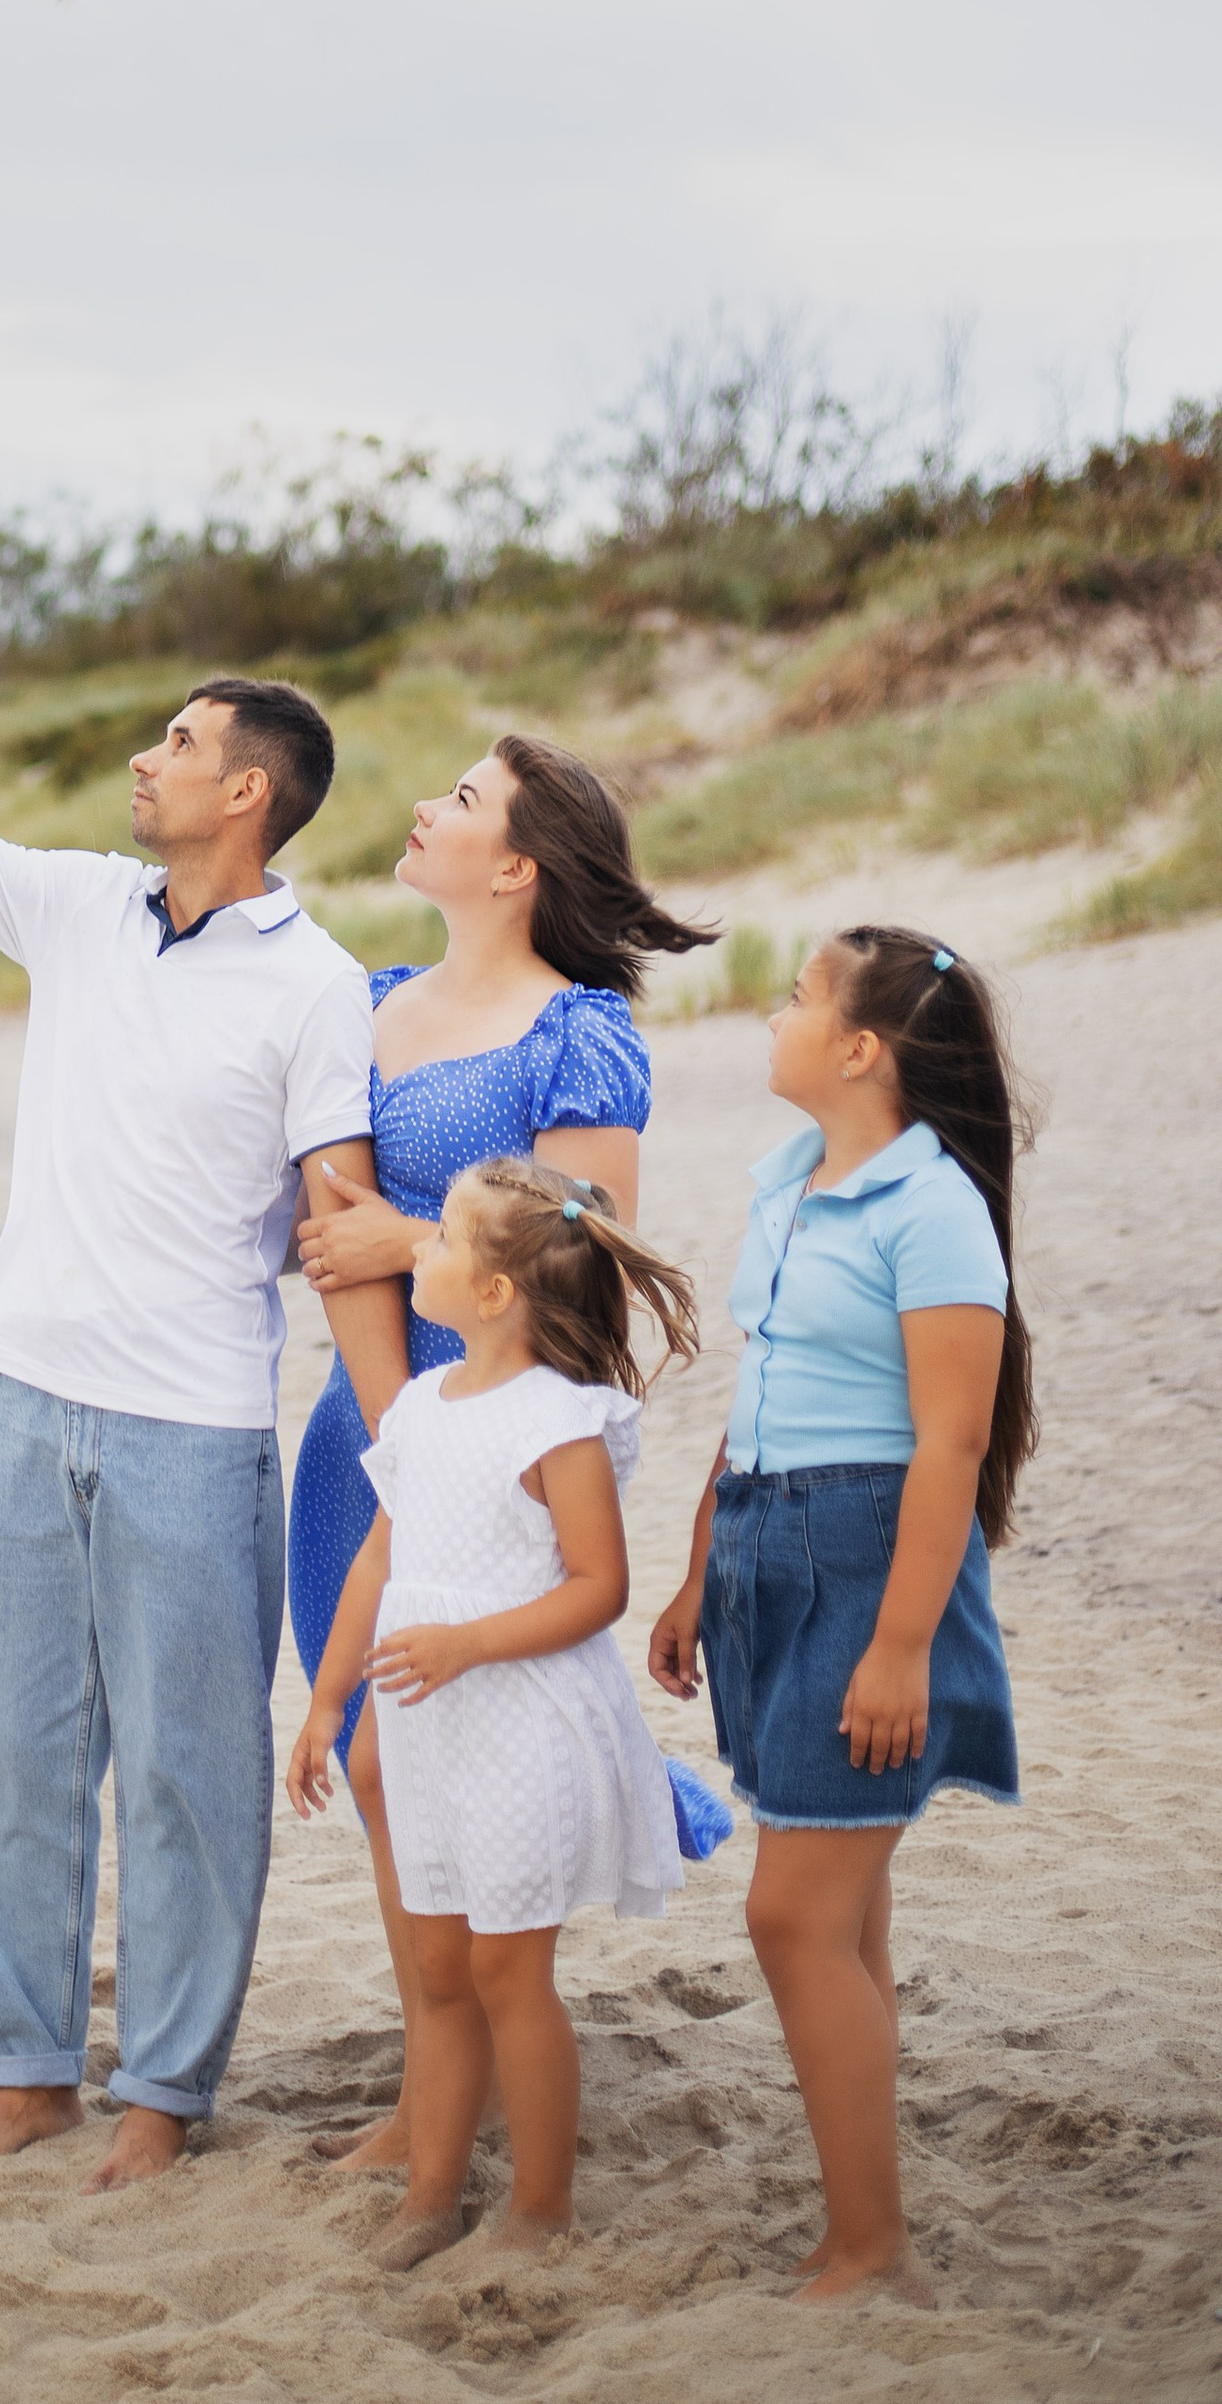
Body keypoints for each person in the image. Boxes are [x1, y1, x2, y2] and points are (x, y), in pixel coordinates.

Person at [0, 519, 392, 2190]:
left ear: (250, 791)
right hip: (23, 1394)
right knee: (13, 1744)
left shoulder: (319, 988)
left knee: (192, 1775)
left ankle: (168, 2093)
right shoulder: (80, 905)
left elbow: (338, 1217)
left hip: (194, 1428)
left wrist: (410, 1437)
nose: (146, 755)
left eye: (179, 742)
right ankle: (30, 2066)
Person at [285, 737, 714, 2166]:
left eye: (460, 800)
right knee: (378, 1756)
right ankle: (429, 2092)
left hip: (505, 1450)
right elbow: (319, 1215)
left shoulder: (576, 1032)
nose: (424, 808)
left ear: (518, 865)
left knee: (463, 1754)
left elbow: (585, 1260)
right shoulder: (372, 1004)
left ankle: (460, 2090)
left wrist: (409, 1241)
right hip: (369, 1431)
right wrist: (392, 1411)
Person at [650, 927, 1033, 2306]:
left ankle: (872, 2248)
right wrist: (701, 1565)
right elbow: (763, 1391)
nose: (777, 1012)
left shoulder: (933, 1210)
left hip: (871, 1563)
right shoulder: (797, 1180)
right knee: (843, 1910)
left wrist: (900, 1645)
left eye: (801, 998)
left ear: (862, 1049)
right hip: (767, 1541)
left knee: (791, 1918)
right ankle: (862, 2221)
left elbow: (951, 1443)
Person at [288, 1159, 706, 2267]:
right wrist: (328, 1699)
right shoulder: (420, 1407)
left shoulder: (559, 1422)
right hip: (424, 1726)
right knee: (435, 1972)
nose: (416, 1249)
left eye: (440, 1242)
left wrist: (468, 1643)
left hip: (517, 1723)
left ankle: (540, 2205)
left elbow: (595, 1587)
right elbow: (380, 1556)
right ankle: (430, 2193)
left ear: (491, 1295)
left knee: (506, 1974)